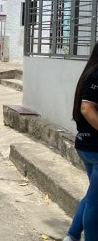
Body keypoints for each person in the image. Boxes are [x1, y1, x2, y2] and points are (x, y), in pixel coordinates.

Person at [65, 42, 98, 241]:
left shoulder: (90, 72)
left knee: (92, 196)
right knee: (96, 202)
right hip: (95, 147)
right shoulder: (97, 75)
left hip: (86, 145)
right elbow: (87, 109)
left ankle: (72, 235)